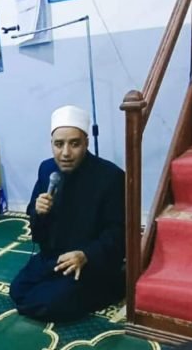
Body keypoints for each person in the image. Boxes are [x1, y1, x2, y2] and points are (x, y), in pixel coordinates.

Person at [9, 105, 125, 322]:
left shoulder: (110, 177)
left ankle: (115, 284)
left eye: (74, 144)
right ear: (51, 144)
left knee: (47, 303)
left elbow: (118, 232)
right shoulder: (47, 169)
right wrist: (38, 211)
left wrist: (86, 255)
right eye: (59, 144)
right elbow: (35, 223)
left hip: (89, 262)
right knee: (18, 291)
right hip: (54, 256)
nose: (65, 153)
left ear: (86, 143)